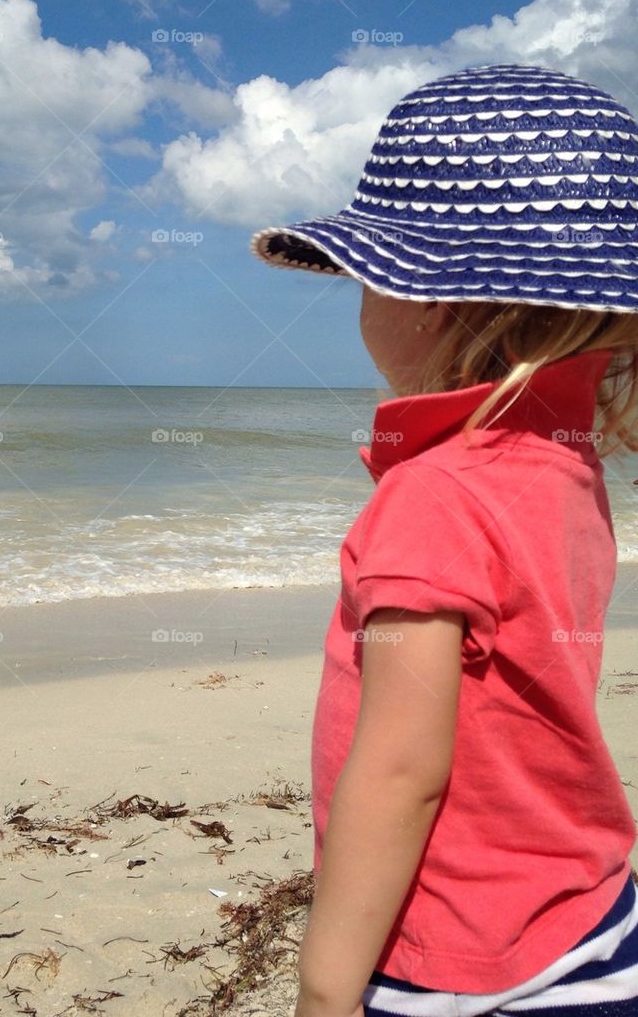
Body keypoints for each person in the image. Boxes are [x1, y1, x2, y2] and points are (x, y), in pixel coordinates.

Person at [249, 62, 638, 1017]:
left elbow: (400, 769)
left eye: (366, 279)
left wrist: (325, 989)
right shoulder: (565, 463)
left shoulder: (433, 495)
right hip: (589, 919)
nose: (361, 304)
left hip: (463, 961)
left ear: (432, 299)